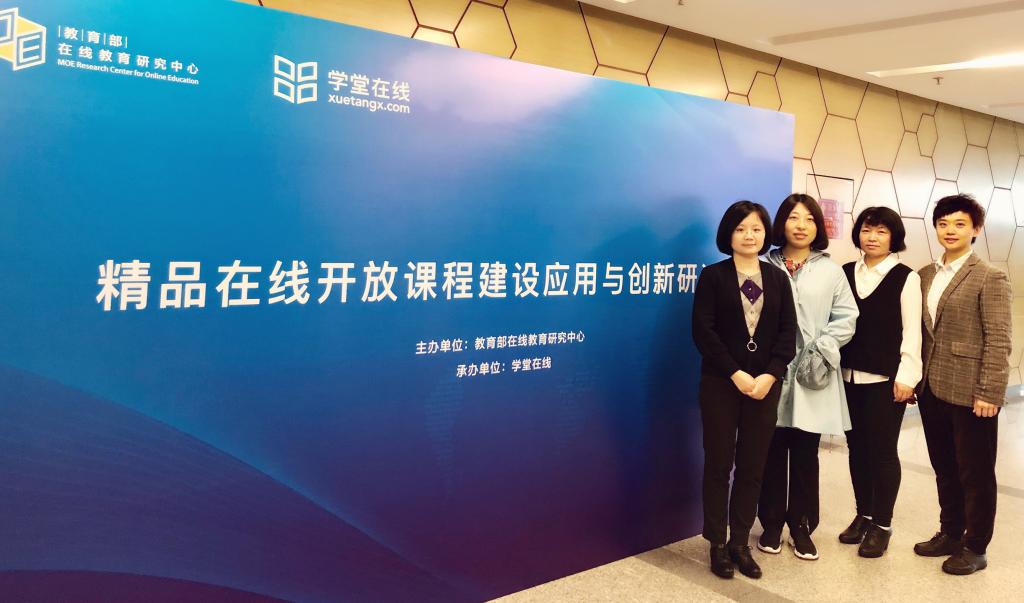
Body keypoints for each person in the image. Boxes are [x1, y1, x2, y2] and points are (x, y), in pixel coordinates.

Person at [692, 200, 797, 580]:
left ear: (765, 233)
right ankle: (717, 544)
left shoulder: (778, 278)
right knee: (718, 464)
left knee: (752, 466)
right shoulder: (713, 277)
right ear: (729, 234)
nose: (749, 235)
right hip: (721, 383)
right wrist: (735, 372)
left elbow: (787, 334)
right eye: (740, 229)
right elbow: (703, 331)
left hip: (764, 387)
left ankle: (740, 542)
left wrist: (770, 375)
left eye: (755, 228)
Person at [757, 194, 858, 561]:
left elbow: (846, 317)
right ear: (781, 222)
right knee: (770, 450)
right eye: (793, 217)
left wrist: (822, 349)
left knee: (804, 452)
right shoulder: (762, 264)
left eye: (809, 219)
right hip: (770, 371)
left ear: (818, 226)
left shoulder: (831, 271)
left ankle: (801, 525)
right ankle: (770, 523)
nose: (801, 225)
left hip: (811, 372)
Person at [913, 194, 1011, 575]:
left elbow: (998, 338)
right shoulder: (925, 274)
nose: (950, 230)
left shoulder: (990, 276)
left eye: (959, 224)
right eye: (943, 224)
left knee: (976, 473)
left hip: (973, 392)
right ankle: (951, 532)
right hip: (932, 388)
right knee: (944, 467)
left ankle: (975, 546)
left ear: (976, 229)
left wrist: (990, 392)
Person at [837, 206, 922, 558]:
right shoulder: (845, 272)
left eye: (881, 231)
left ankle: (882, 525)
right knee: (856, 448)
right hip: (846, 376)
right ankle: (864, 514)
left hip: (886, 380)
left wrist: (907, 377)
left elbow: (912, 332)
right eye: (867, 230)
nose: (872, 237)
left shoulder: (906, 277)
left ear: (893, 237)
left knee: (883, 451)